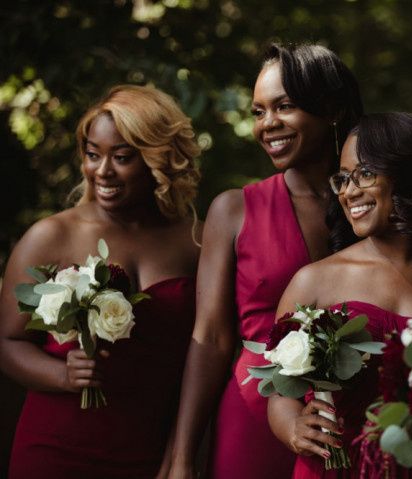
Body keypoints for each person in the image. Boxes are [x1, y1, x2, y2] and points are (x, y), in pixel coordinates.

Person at [167, 44, 363, 479]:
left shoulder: (372, 205)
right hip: (253, 419)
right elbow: (211, 337)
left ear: (330, 108)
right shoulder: (234, 210)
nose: (267, 124)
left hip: (352, 422)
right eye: (258, 112)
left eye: (284, 106)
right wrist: (181, 457)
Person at [0, 84, 202, 479]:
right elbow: (6, 341)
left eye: (122, 157)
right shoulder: (52, 236)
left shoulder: (197, 242)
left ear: (157, 159)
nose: (102, 171)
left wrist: (182, 454)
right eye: (93, 154)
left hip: (153, 450)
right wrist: (61, 374)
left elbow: (209, 350)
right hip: (58, 447)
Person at [267, 112, 412, 479]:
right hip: (334, 468)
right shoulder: (313, 282)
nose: (348, 191)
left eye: (364, 174)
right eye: (342, 178)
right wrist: (294, 427)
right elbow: (281, 392)